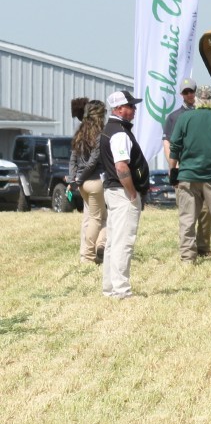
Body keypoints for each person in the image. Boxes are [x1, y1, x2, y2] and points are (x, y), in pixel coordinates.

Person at [99, 90, 148, 300]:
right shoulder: (119, 132)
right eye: (131, 106)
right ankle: (121, 291)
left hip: (112, 191)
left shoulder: (110, 129)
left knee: (113, 242)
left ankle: (110, 288)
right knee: (123, 242)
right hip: (121, 192)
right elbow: (121, 167)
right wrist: (131, 192)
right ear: (119, 109)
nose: (134, 110)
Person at [169, 85, 211, 264]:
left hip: (188, 176)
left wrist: (173, 170)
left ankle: (187, 258)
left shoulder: (185, 118)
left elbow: (174, 146)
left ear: (197, 100)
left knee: (187, 219)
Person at [69, 99, 108, 266]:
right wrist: (81, 177)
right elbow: (93, 161)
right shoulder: (100, 135)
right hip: (95, 181)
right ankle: (90, 253)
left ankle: (97, 247)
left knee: (92, 217)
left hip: (83, 185)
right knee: (98, 219)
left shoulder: (79, 133)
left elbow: (72, 160)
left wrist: (74, 179)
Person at [163, 76, 198, 178]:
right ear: (181, 94)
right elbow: (167, 142)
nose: (189, 95)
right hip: (184, 170)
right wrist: (174, 167)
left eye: (191, 91)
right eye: (185, 92)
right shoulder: (174, 117)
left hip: (204, 169)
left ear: (196, 90)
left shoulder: (204, 114)